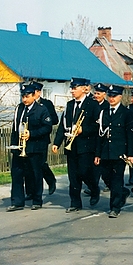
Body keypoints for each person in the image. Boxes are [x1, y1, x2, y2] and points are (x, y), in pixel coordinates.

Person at [52, 77, 101, 212]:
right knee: (73, 176)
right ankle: (75, 203)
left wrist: (83, 130)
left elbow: (98, 127)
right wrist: (57, 142)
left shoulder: (92, 104)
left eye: (75, 88)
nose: (72, 91)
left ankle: (94, 189)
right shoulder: (69, 105)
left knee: (85, 172)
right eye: (72, 88)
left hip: (86, 146)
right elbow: (63, 125)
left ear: (84, 89)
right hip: (71, 145)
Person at [7, 83, 52, 211]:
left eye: (27, 96)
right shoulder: (19, 108)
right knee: (16, 174)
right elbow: (15, 128)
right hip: (20, 148)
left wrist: (31, 134)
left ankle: (37, 200)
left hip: (35, 147)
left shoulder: (41, 109)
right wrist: (15, 145)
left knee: (35, 174)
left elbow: (47, 127)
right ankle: (17, 201)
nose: (24, 99)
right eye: (23, 97)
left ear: (33, 96)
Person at [94, 85, 133, 218]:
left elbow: (130, 135)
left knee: (117, 179)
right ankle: (122, 192)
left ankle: (115, 207)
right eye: (110, 96)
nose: (111, 99)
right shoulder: (104, 112)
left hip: (119, 153)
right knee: (106, 177)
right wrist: (97, 154)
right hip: (106, 152)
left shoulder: (126, 113)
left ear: (120, 97)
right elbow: (100, 136)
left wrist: (130, 154)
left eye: (114, 96)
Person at [30, 81, 57, 196]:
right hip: (29, 138)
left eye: (34, 91)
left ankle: (50, 180)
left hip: (42, 138)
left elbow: (55, 120)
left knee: (41, 163)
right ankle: (31, 192)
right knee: (30, 165)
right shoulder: (27, 103)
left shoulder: (47, 104)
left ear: (39, 92)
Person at [92, 83, 110, 193]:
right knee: (94, 165)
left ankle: (109, 183)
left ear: (104, 94)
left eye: (98, 93)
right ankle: (94, 186)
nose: (96, 95)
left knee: (103, 166)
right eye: (95, 93)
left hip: (103, 138)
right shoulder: (92, 104)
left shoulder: (107, 106)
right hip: (93, 138)